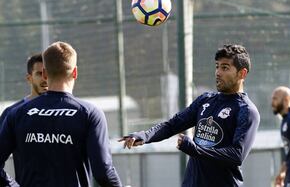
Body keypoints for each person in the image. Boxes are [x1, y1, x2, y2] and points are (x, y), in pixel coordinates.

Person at [120, 44, 260, 187]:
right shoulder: (205, 100)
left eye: (225, 68)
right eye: (217, 66)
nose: (218, 72)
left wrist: (195, 150)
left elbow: (236, 155)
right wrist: (144, 135)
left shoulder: (247, 110)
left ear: (242, 73)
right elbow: (172, 125)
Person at [0, 42, 122, 187]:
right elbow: (103, 172)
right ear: (75, 72)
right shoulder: (89, 113)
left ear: (45, 74)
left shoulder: (17, 114)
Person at [0, 53, 48, 187]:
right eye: (39, 74)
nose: (45, 79)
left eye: (48, 73)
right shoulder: (12, 114)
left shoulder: (68, 112)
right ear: (29, 78)